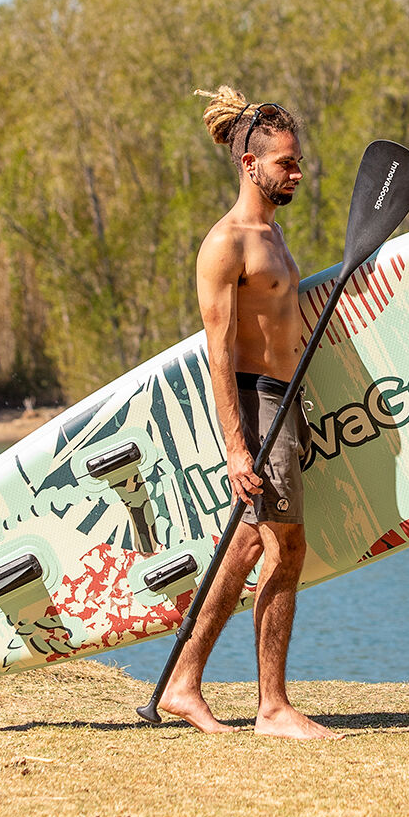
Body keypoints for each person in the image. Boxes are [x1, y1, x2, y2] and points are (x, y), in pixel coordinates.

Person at [157, 85, 339, 740]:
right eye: (285, 163)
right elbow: (220, 355)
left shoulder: (273, 233)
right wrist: (238, 449)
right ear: (249, 164)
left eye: (297, 161)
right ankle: (272, 707)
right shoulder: (228, 244)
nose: (297, 173)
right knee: (285, 545)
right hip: (257, 404)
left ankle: (182, 684)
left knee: (243, 546)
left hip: (284, 402)